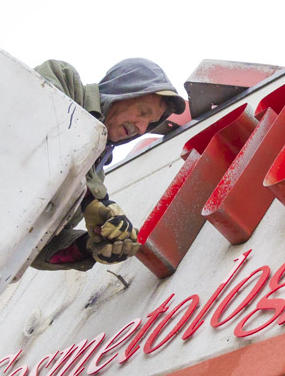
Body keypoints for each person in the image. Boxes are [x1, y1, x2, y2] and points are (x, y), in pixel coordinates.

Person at [31, 58, 185, 272]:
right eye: (142, 112)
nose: (141, 129)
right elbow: (42, 131)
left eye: (150, 123)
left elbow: (36, 249)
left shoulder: (96, 174)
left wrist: (90, 245)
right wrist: (92, 200)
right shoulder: (64, 78)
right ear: (119, 93)